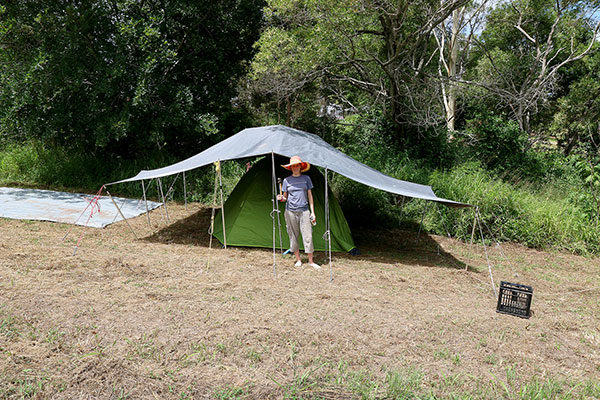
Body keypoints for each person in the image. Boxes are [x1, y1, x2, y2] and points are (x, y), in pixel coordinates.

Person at [277, 156, 321, 269]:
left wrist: (313, 212)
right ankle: (298, 260)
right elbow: (285, 197)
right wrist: (281, 198)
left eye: (297, 165)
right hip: (290, 211)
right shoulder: (286, 180)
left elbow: (310, 196)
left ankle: (311, 261)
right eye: (293, 166)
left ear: (300, 167)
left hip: (304, 210)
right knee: (293, 235)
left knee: (308, 236)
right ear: (291, 168)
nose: (295, 167)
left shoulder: (306, 179)